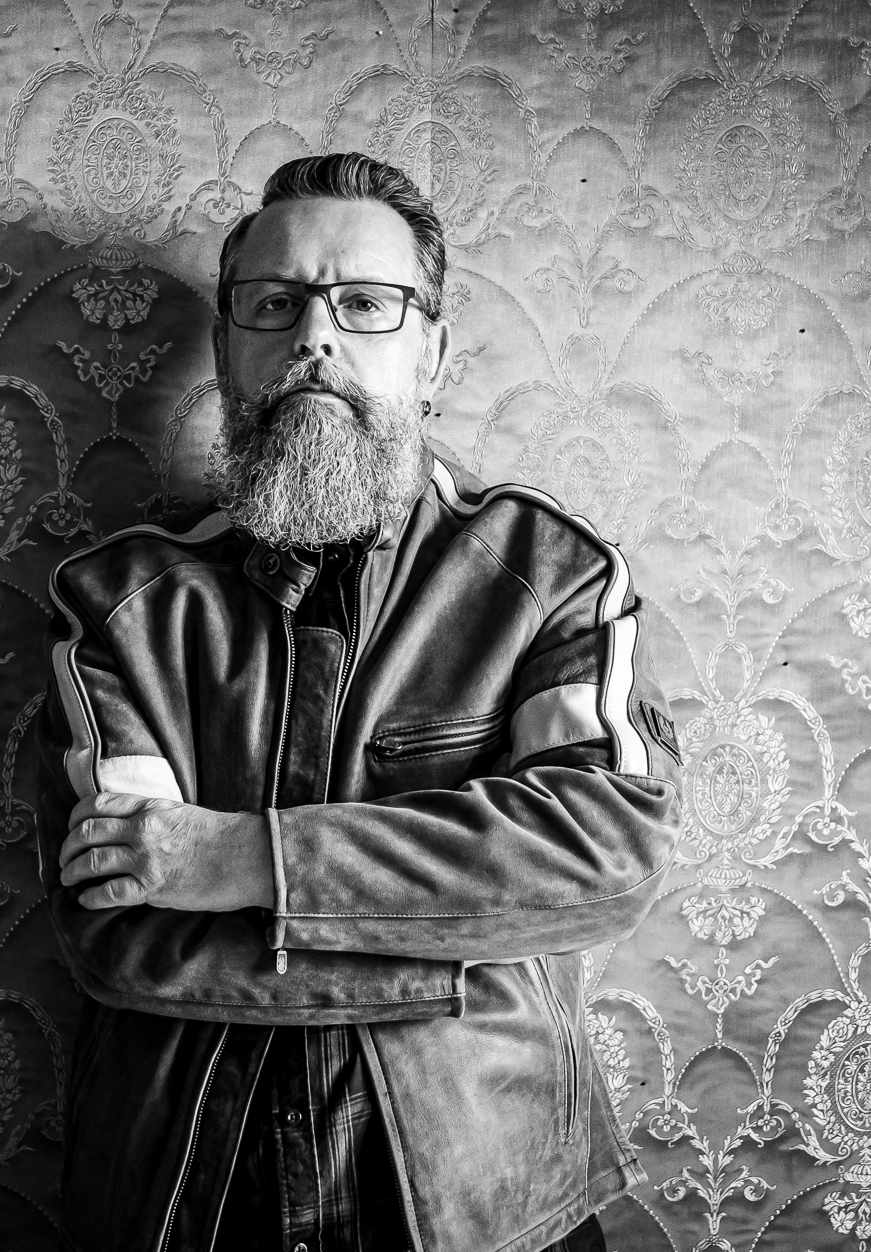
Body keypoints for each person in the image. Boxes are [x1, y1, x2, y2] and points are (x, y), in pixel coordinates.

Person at [36, 153, 681, 1252]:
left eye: (366, 304)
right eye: (273, 304)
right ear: (227, 351)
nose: (313, 338)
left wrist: (233, 859)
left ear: (433, 352)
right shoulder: (118, 601)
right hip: (183, 1197)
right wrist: (458, 936)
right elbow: (121, 928)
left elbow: (606, 855)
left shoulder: (552, 577)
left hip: (490, 1200)